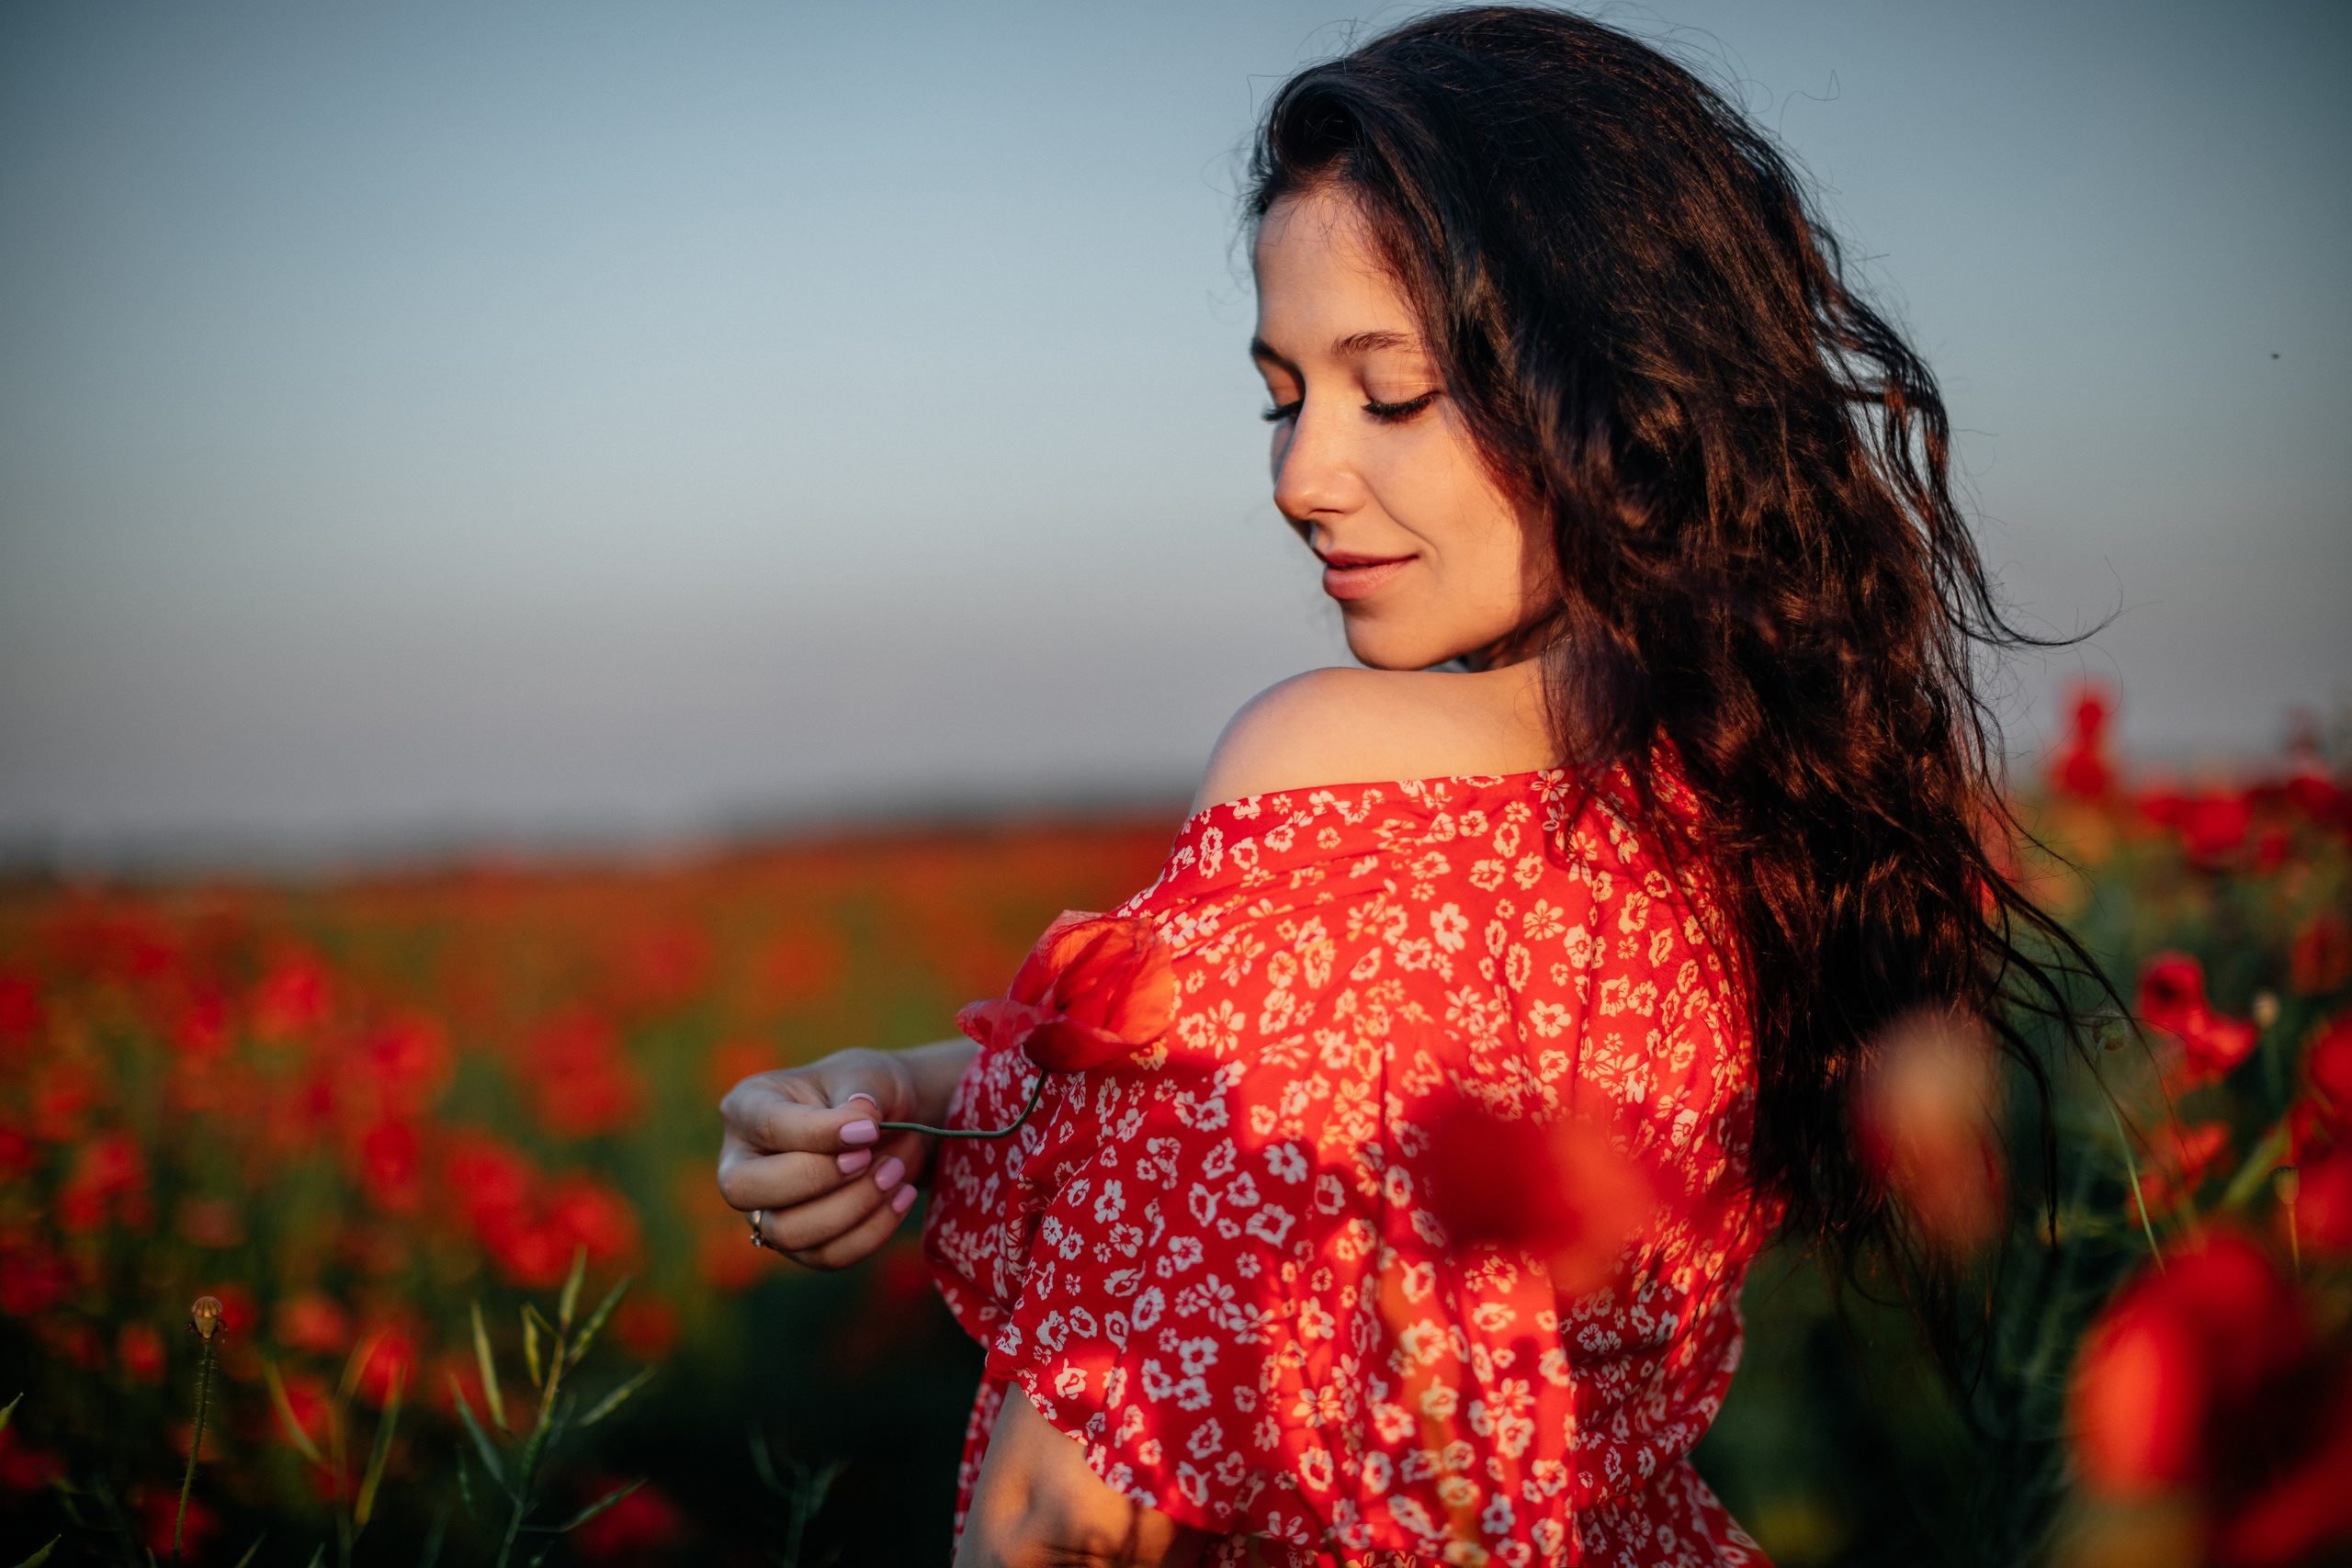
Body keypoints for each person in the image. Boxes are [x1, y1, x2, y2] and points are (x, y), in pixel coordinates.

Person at [718, 9, 2086, 1565]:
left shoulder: (1335, 774)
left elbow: (1055, 1513)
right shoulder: (1752, 803)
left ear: (1623, 387)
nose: (1302, 475)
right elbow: (1300, 1104)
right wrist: (902, 1092)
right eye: (1282, 393)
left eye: (1393, 390)